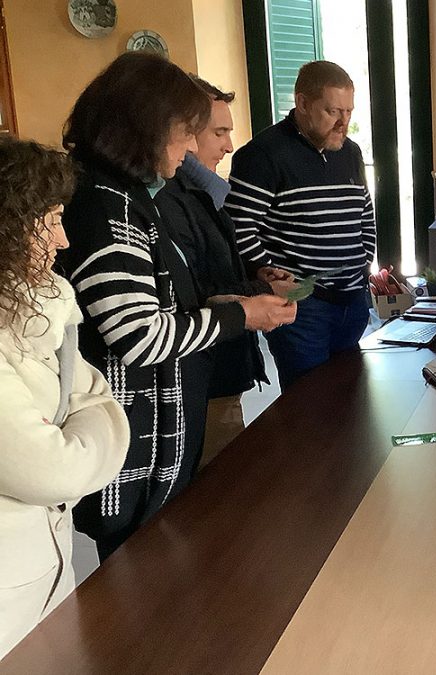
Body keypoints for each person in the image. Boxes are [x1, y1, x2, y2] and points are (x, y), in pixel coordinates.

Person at [57, 53, 296, 559]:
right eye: (187, 131)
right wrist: (240, 315)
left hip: (157, 448)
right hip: (131, 458)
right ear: (145, 127)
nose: (192, 146)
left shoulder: (133, 197)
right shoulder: (104, 207)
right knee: (139, 594)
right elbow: (137, 336)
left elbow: (155, 301)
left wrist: (225, 300)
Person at [0, 138, 129, 657]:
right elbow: (53, 472)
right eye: (48, 220)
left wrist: (87, 418)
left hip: (48, 563)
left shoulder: (43, 307)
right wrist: (86, 429)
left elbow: (96, 396)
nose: (63, 239)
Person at [158, 76, 296, 468]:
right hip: (203, 375)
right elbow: (194, 294)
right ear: (183, 132)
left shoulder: (207, 193)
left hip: (223, 367)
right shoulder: (170, 201)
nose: (228, 145)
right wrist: (252, 293)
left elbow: (214, 272)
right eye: (219, 132)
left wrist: (260, 280)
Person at [226, 60, 376, 389]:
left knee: (352, 400)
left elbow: (364, 212)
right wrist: (271, 274)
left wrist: (365, 262)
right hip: (304, 307)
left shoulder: (349, 152)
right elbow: (237, 226)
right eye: (333, 111)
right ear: (303, 103)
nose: (343, 123)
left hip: (352, 302)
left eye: (349, 111)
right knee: (308, 407)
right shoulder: (263, 156)